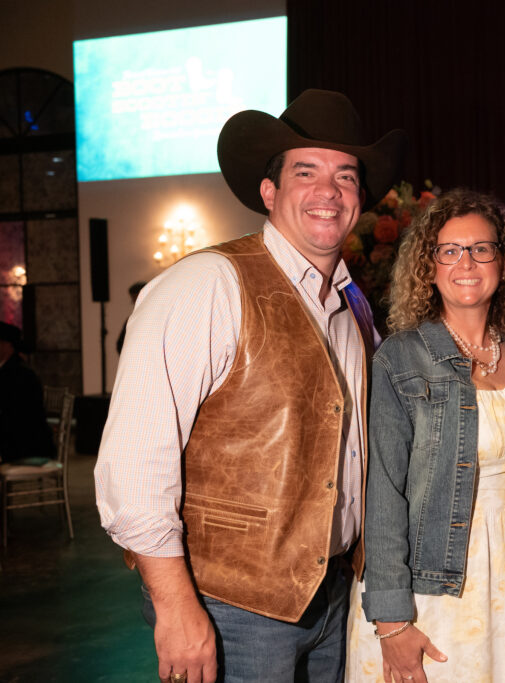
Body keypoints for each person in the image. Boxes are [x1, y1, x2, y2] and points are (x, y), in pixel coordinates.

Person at [95, 89, 407, 683]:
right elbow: (135, 462)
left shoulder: (356, 306)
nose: (329, 191)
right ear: (270, 191)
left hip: (334, 594)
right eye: (306, 172)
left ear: (360, 198)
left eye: (346, 176)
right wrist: (176, 606)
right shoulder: (207, 284)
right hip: (229, 609)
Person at [347, 189, 505, 683]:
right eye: (451, 250)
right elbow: (383, 494)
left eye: (482, 248)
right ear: (430, 265)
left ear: (503, 263)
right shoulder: (401, 358)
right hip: (431, 584)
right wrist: (393, 620)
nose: (467, 262)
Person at [0, 322, 54, 463]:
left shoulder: (18, 374)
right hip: (19, 438)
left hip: (26, 443)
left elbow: (15, 415)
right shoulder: (11, 370)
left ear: (7, 345)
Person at [115, 280, 147, 354]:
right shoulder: (132, 320)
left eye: (136, 300)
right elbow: (120, 345)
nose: (134, 303)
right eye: (133, 300)